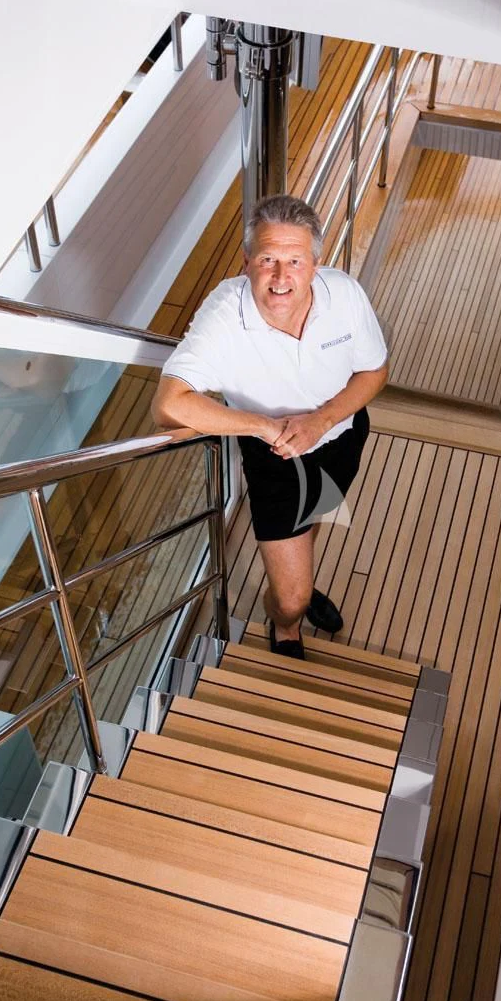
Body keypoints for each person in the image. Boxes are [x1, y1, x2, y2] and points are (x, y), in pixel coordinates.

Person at [151, 194, 388, 659]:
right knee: (292, 597)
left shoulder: (344, 295)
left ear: (316, 263)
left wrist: (321, 420)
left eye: (295, 260)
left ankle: (299, 579)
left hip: (340, 436)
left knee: (315, 516)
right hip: (275, 458)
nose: (282, 277)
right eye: (268, 259)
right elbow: (169, 405)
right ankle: (286, 622)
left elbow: (374, 373)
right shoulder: (223, 317)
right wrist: (262, 427)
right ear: (247, 262)